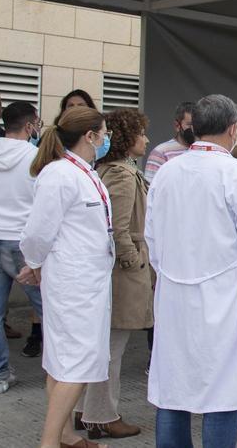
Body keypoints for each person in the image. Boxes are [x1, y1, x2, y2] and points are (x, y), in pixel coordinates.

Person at [145, 94, 237, 447]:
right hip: (226, 300)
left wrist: (171, 274)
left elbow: (152, 238)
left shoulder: (167, 171)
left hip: (175, 297)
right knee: (224, 391)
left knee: (173, 389)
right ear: (233, 129)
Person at [19, 106, 115, 448]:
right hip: (73, 283)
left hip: (84, 280)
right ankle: (49, 442)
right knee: (75, 365)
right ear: (89, 136)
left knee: (61, 363)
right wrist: (35, 262)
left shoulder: (82, 171)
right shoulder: (60, 174)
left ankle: (65, 436)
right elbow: (37, 232)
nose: (107, 139)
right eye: (104, 133)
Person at [76, 108, 153, 440]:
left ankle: (83, 410)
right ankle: (102, 414)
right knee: (112, 347)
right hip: (124, 273)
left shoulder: (109, 168)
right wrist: (134, 261)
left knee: (104, 345)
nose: (146, 139)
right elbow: (119, 229)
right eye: (141, 132)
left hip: (115, 268)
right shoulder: (122, 173)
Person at [0, 101, 44, 393]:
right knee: (47, 309)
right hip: (22, 241)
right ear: (29, 126)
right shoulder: (36, 156)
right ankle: (59, 372)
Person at [143, 101, 196, 184]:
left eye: (197, 125)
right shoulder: (161, 153)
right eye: (189, 125)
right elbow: (149, 189)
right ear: (177, 126)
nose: (194, 129)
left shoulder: (203, 151)